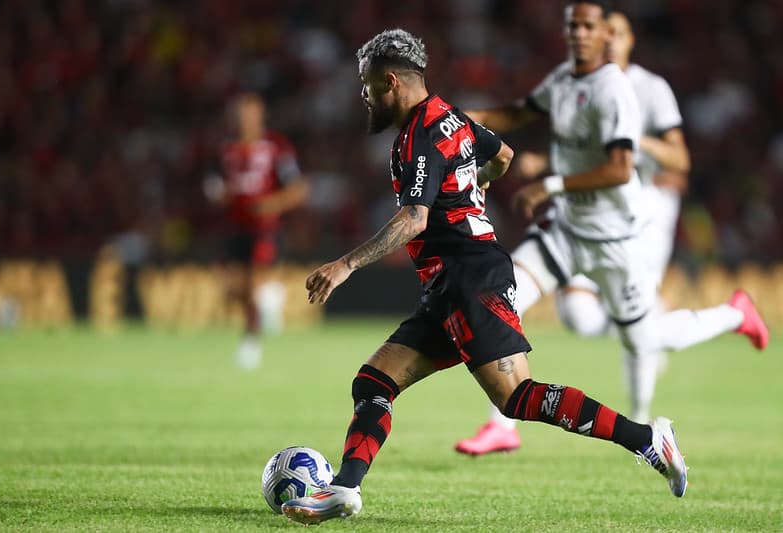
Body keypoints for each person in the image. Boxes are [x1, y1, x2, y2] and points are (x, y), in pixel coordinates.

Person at [280, 27, 689, 526]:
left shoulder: (419, 137)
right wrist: (472, 196)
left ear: (391, 81)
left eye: (368, 86)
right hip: (450, 283)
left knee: (518, 397)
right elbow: (503, 156)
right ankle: (343, 489)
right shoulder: (453, 118)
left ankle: (648, 439)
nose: (364, 96)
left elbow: (414, 218)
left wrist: (344, 265)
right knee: (373, 381)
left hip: (469, 277)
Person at [454, 1, 769, 456]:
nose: (581, 34)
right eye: (573, 26)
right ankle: (502, 423)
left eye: (592, 27)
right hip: (567, 230)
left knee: (647, 339)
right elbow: (521, 111)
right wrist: (462, 116)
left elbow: (622, 169)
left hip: (616, 241)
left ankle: (736, 314)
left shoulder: (624, 88)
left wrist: (550, 184)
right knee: (500, 300)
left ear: (609, 35)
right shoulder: (564, 79)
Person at [204, 92, 309, 370]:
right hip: (234, 226)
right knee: (231, 288)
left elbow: (298, 189)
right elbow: (213, 184)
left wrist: (270, 204)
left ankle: (250, 343)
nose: (243, 120)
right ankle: (269, 296)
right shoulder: (225, 149)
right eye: (239, 115)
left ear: (260, 116)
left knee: (252, 286)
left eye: (249, 114)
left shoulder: (276, 148)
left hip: (264, 228)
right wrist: (218, 194)